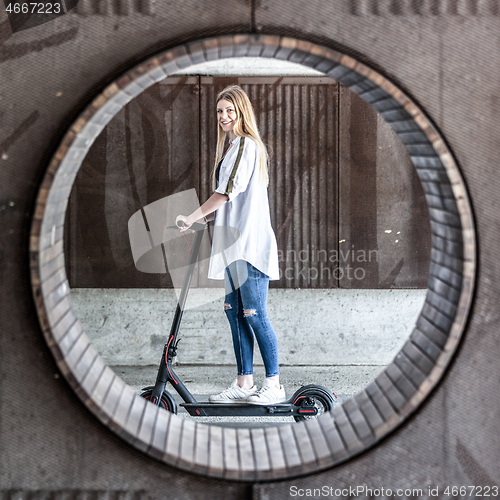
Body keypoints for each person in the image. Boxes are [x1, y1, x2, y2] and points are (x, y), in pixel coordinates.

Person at [176, 85, 285, 405]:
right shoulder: (233, 148)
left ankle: (274, 384)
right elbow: (229, 204)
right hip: (231, 246)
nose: (223, 117)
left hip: (248, 245)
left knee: (254, 313)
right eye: (220, 111)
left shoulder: (246, 147)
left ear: (241, 113)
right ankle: (244, 382)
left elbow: (226, 193)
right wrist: (204, 221)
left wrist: (193, 215)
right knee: (233, 312)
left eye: (229, 111)